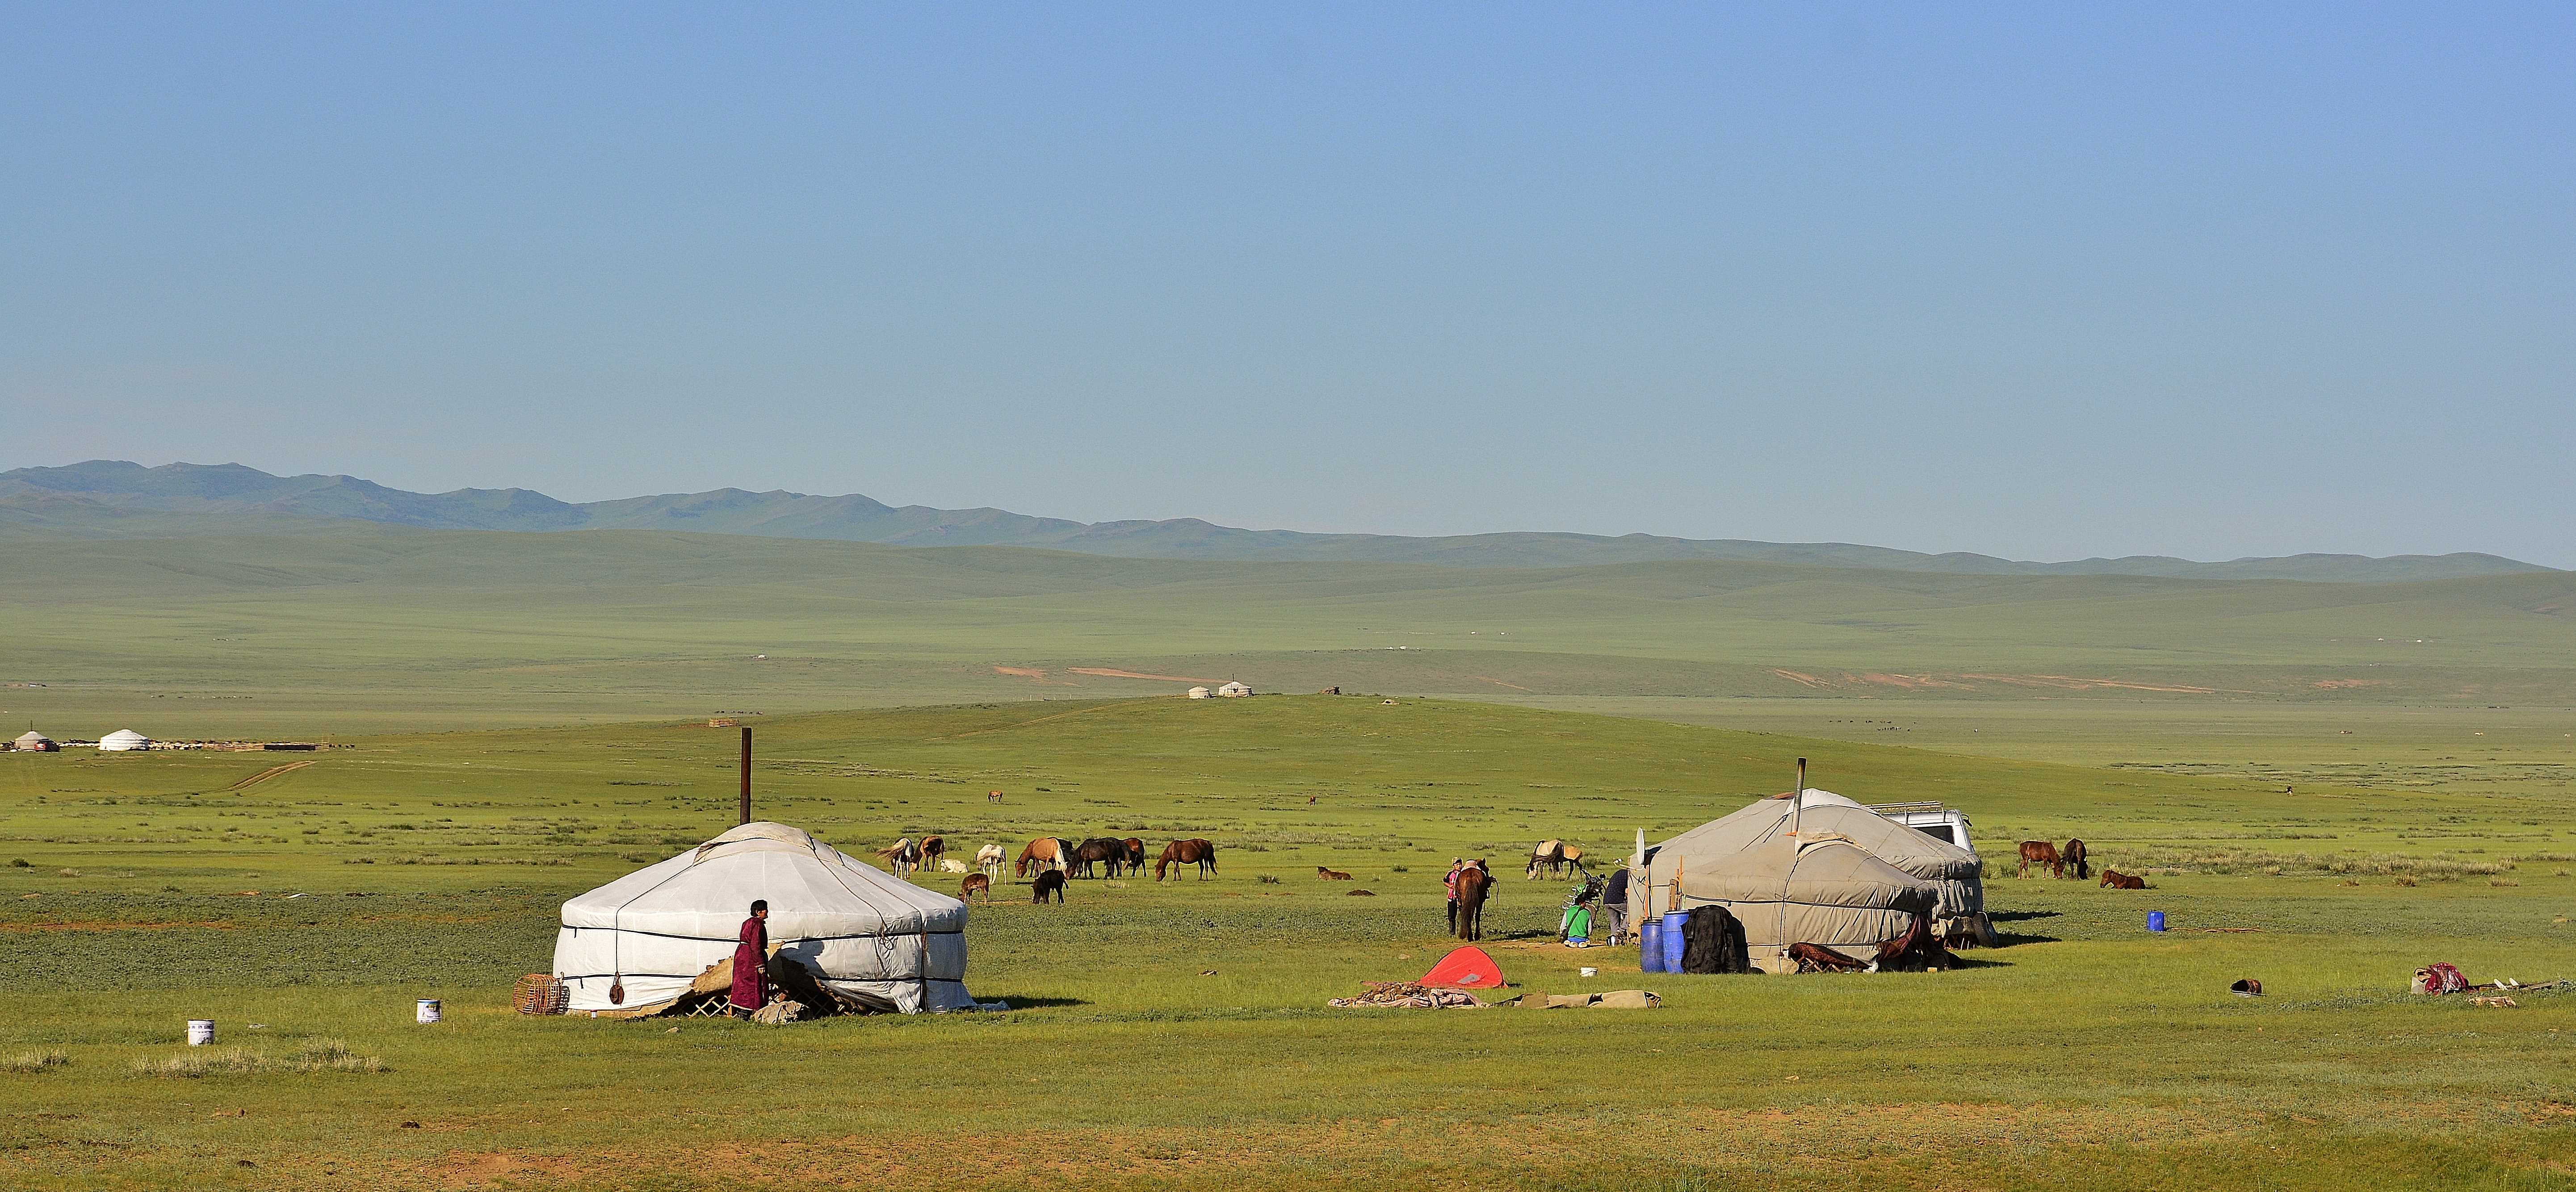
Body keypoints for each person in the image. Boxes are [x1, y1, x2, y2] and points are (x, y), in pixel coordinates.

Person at [730, 899, 770, 1017]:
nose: (767, 912)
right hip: (751, 958)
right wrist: (760, 963)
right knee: (752, 985)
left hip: (741, 955)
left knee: (742, 984)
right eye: (765, 909)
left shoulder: (747, 922)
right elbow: (755, 944)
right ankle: (746, 1014)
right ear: (758, 912)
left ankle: (740, 1012)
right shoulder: (757, 924)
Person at [1601, 864, 1630, 945]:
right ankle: (1621, 931)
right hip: (1617, 900)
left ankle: (1614, 941)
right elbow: (1627, 891)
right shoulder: (1629, 876)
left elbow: (1608, 884)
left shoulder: (1618, 873)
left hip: (1607, 900)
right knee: (1631, 912)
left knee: (1614, 923)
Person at [1444, 858, 1465, 933]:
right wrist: (1450, 886)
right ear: (1453, 866)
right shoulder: (1450, 874)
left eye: (1460, 864)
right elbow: (1445, 882)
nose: (1459, 866)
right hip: (1452, 897)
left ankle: (1464, 931)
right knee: (1451, 916)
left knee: (1464, 915)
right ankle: (1452, 932)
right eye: (1457, 865)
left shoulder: (1465, 874)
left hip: (1462, 898)